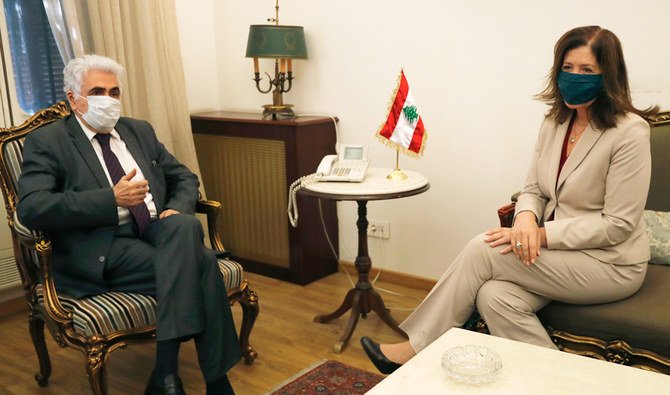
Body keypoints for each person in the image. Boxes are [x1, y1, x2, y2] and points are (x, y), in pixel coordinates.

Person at [360, 26, 658, 374]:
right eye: (568, 67)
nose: (575, 77)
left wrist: (541, 236)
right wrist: (525, 220)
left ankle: (415, 348)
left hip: (610, 263)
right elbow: (533, 190)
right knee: (495, 297)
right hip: (560, 254)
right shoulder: (554, 123)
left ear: (609, 75)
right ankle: (562, 380)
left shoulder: (630, 132)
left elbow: (618, 225)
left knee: (483, 248)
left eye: (587, 70)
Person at [17, 54, 241, 395]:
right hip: (105, 244)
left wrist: (178, 209)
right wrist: (111, 199)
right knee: (203, 263)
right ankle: (214, 380)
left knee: (184, 228)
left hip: (156, 227)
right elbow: (32, 207)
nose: (108, 100)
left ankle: (166, 374)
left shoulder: (138, 130)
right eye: (97, 91)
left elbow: (183, 176)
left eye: (114, 91)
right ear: (73, 99)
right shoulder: (49, 142)